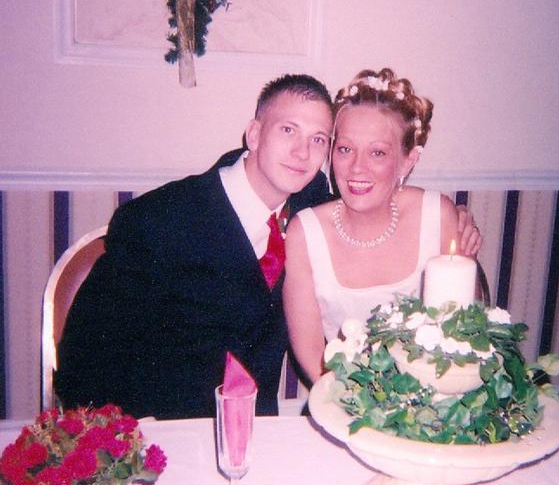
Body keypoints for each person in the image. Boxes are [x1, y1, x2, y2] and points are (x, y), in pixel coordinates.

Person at [56, 72, 480, 420]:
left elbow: (379, 197)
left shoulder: (312, 208)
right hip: (167, 438)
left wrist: (456, 220)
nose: (302, 152)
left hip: (262, 438)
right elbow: (83, 365)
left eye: (319, 139)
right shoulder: (160, 220)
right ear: (255, 133)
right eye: (288, 130)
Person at [283, 68, 481, 383]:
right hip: (341, 396)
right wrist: (359, 404)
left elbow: (469, 334)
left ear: (408, 160)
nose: (356, 168)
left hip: (432, 394)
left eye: (377, 152)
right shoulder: (304, 233)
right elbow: (312, 356)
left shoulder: (438, 215)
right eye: (345, 149)